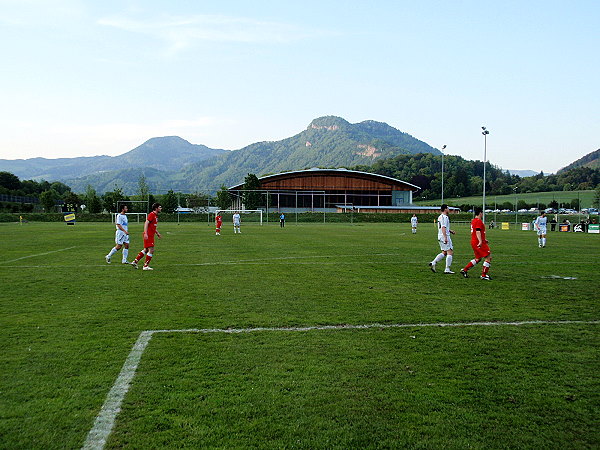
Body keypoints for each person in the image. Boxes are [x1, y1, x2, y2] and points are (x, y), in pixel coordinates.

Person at [460, 206, 492, 280]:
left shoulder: (473, 220)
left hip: (474, 242)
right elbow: (477, 231)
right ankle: (483, 275)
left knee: (478, 258)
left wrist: (484, 239)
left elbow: (476, 232)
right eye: (482, 213)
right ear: (480, 213)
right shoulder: (478, 221)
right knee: (488, 257)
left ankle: (465, 270)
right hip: (478, 242)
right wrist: (481, 241)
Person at [131, 203, 162, 270]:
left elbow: (153, 226)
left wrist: (157, 233)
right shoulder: (152, 215)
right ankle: (145, 266)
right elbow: (146, 223)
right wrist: (145, 233)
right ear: (156, 208)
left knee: (146, 250)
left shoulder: (156, 216)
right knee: (151, 250)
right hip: (149, 235)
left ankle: (135, 261)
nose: (161, 208)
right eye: (159, 207)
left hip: (150, 235)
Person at [429, 204, 456, 274]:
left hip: (440, 236)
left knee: (444, 252)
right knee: (450, 252)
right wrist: (445, 237)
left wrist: (450, 231)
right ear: (445, 209)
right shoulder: (444, 217)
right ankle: (447, 269)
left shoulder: (440, 217)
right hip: (444, 236)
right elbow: (443, 227)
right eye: (448, 208)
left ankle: (433, 262)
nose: (449, 210)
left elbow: (444, 227)